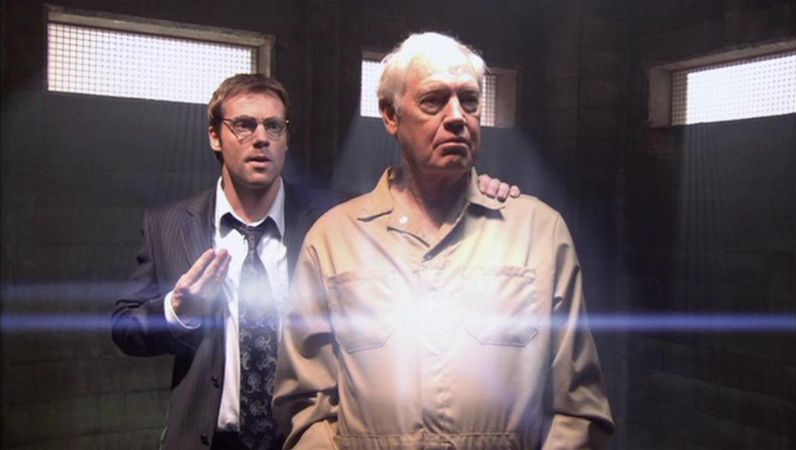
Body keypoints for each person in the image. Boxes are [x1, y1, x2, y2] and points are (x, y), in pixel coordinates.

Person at [112, 73, 518, 450]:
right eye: (245, 125)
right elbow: (124, 328)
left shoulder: (335, 220)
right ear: (215, 136)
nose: (261, 138)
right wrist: (178, 313)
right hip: (208, 441)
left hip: (312, 438)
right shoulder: (170, 224)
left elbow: (421, 219)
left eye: (274, 126)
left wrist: (471, 190)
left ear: (286, 139)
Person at [274, 33, 615, 450]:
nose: (457, 117)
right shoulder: (334, 240)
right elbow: (306, 404)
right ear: (391, 115)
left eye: (469, 100)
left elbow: (578, 409)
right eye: (433, 101)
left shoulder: (538, 233)